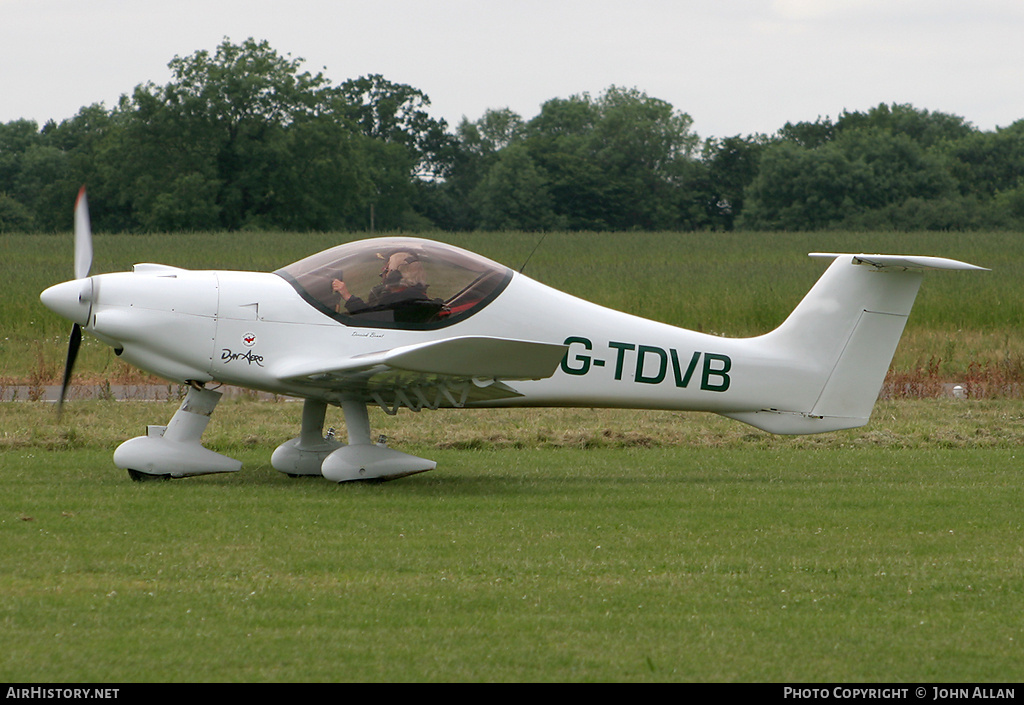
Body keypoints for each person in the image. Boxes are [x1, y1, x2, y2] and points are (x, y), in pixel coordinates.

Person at [332, 251, 444, 323]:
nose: (383, 271)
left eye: (387, 268)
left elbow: (370, 317)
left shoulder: (406, 301)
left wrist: (347, 296)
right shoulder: (410, 296)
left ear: (397, 274)